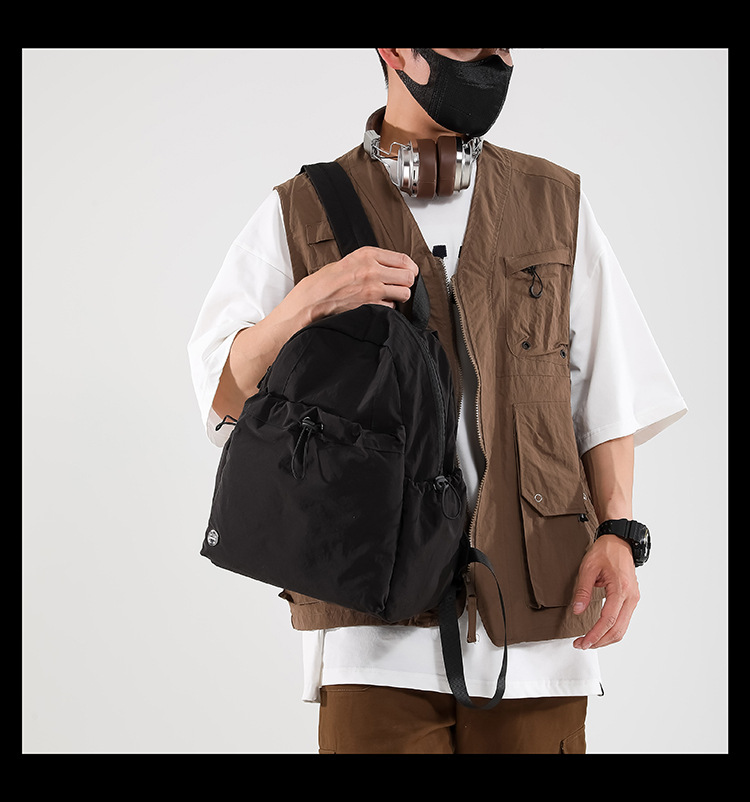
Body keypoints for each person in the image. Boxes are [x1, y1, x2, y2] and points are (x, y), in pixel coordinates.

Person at [188, 48, 687, 754]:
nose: (493, 59)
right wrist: (308, 302)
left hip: (540, 626)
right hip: (371, 630)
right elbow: (225, 397)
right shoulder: (299, 211)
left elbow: (606, 387)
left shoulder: (554, 202)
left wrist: (619, 531)